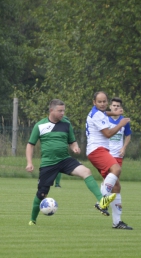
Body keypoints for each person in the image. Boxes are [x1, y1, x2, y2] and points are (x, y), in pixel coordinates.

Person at [26, 99, 116, 225]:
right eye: (60, 111)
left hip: (64, 160)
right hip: (48, 164)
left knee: (86, 171)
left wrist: (75, 147)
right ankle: (32, 220)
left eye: (64, 110)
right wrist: (29, 162)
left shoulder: (66, 124)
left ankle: (102, 200)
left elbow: (72, 141)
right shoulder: (40, 125)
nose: (63, 113)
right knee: (41, 194)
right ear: (51, 110)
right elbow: (30, 145)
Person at [86, 91, 133, 230]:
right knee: (116, 169)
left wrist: (114, 113)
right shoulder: (97, 114)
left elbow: (105, 113)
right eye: (99, 102)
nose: (102, 104)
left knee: (117, 187)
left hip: (100, 150)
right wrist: (121, 123)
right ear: (94, 102)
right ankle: (101, 201)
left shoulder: (98, 112)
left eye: (104, 101)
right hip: (96, 149)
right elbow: (108, 134)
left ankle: (117, 222)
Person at [103, 97, 132, 229]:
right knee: (113, 184)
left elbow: (128, 135)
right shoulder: (104, 118)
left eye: (117, 106)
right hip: (106, 155)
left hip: (118, 156)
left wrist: (124, 147)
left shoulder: (124, 120)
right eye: (113, 105)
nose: (115, 107)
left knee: (116, 185)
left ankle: (115, 218)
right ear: (110, 107)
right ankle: (102, 201)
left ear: (121, 108)